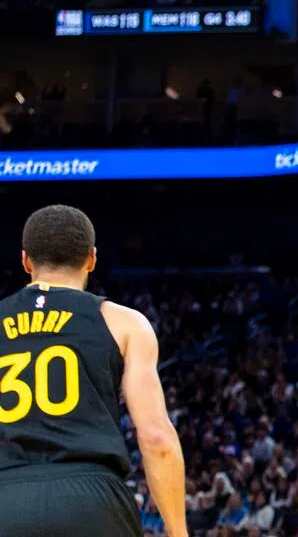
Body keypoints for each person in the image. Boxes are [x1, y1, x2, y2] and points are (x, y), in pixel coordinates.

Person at [0, 205, 187, 536]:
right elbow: (156, 436)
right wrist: (178, 532)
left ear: (26, 261)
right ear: (91, 258)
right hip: (93, 499)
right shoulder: (125, 323)